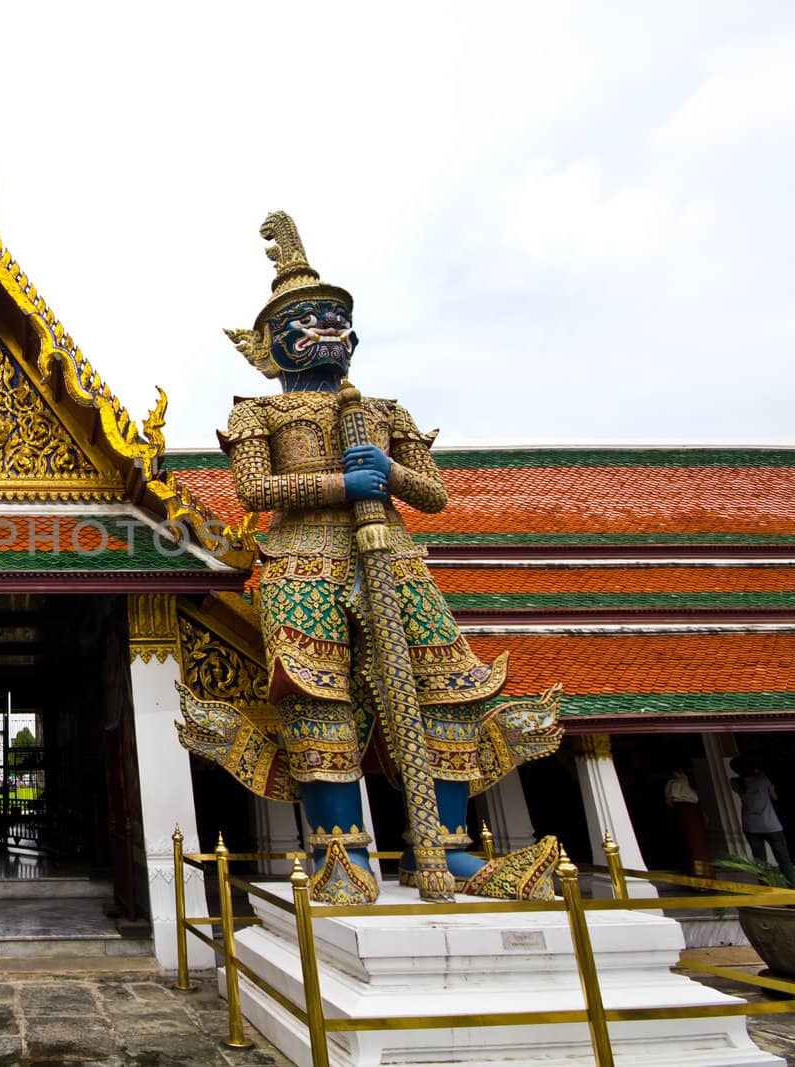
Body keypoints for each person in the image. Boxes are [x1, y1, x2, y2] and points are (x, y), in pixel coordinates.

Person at [178, 211, 562, 905]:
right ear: (267, 346)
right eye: (305, 319)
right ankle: (339, 850)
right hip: (299, 558)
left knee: (447, 685)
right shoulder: (255, 415)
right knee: (315, 693)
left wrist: (383, 466)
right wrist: (342, 484)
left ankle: (446, 847)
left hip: (393, 556)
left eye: (334, 316)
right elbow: (257, 490)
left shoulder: (385, 409)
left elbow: (434, 494)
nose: (324, 327)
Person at [736, 761, 795, 885]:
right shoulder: (763, 780)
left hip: (751, 826)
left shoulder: (736, 782)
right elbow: (774, 797)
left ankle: (765, 888)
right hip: (771, 825)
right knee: (784, 860)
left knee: (760, 861)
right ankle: (792, 886)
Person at [665, 767, 714, 878]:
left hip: (693, 821)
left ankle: (703, 877)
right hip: (688, 820)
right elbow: (670, 800)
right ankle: (699, 878)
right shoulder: (676, 785)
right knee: (694, 848)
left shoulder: (688, 791)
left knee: (698, 848)